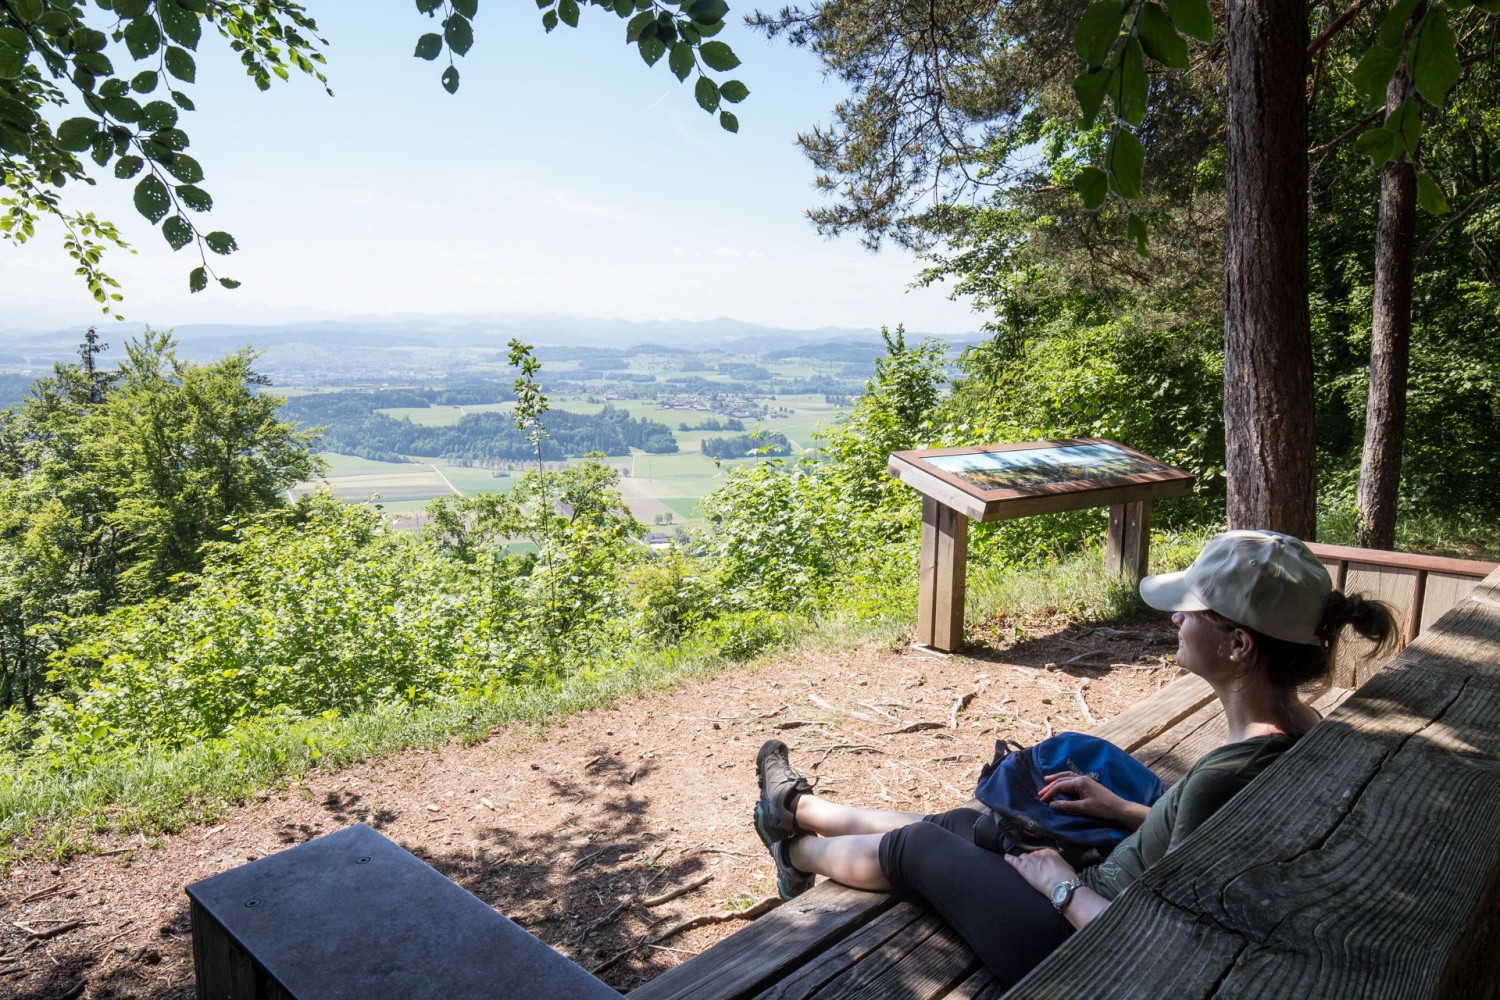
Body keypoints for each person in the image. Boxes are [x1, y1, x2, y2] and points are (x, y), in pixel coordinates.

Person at [752, 529, 1396, 989]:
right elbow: (1202, 841)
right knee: (958, 823)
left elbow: (1167, 944)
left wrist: (1057, 883)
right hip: (1114, 893)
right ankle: (796, 808)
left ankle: (794, 852)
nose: (1174, 619)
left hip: (1087, 944)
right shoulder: (1298, 731)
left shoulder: (1236, 768)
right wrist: (1123, 807)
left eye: (1190, 610)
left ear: (1237, 643)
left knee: (920, 847)